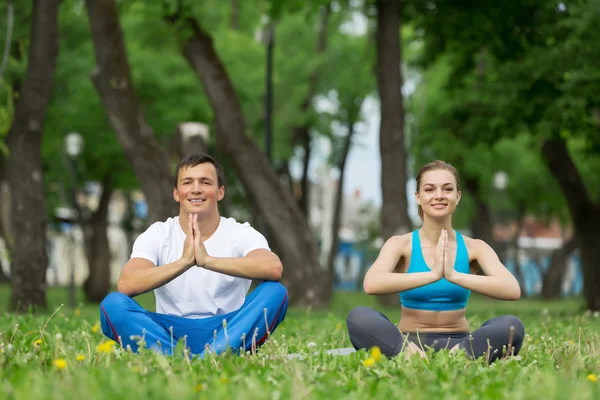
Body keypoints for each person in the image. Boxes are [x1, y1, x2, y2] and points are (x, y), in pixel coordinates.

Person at [99, 153, 288, 357]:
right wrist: (184, 262)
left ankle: (212, 355)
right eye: (187, 182)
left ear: (220, 192)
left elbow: (272, 268)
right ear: (176, 193)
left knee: (275, 292)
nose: (196, 189)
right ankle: (186, 358)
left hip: (228, 329)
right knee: (113, 305)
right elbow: (127, 284)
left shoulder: (241, 232)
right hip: (167, 332)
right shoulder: (158, 233)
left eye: (205, 182)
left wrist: (207, 261)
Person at [346, 160, 524, 364]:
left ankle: (457, 357)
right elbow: (371, 283)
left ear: (457, 196)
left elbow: (512, 289)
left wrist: (454, 275)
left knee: (512, 327)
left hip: (461, 343)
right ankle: (411, 356)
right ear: (418, 197)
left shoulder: (475, 248)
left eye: (447, 189)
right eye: (429, 189)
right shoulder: (400, 244)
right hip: (408, 342)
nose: (439, 195)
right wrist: (432, 275)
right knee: (358, 317)